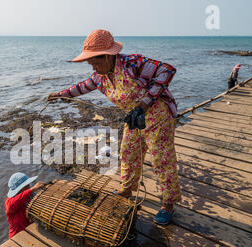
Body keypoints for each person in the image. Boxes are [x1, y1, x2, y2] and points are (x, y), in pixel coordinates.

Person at [47, 29, 182, 226]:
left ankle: (168, 203)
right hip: (135, 118)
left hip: (157, 114)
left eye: (96, 61)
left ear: (109, 55)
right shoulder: (99, 76)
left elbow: (167, 70)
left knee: (161, 159)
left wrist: (145, 102)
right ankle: (127, 188)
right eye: (90, 62)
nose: (93, 66)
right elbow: (82, 87)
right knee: (128, 152)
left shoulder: (133, 64)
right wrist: (60, 94)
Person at [5, 172, 45, 239]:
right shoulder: (9, 202)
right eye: (26, 185)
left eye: (28, 184)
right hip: (17, 236)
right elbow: (11, 206)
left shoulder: (30, 196)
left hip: (31, 231)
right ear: (19, 189)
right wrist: (32, 189)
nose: (29, 186)